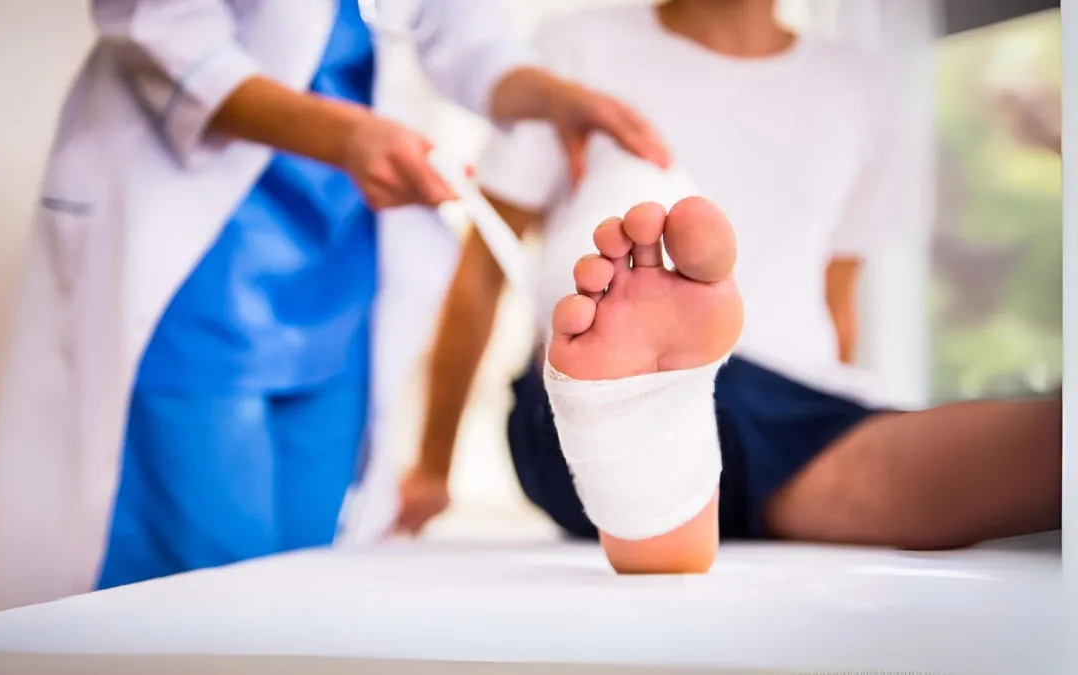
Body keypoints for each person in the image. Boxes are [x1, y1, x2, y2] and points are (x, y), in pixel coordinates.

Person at [0, 0, 672, 612]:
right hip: (203, 252)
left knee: (301, 570)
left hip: (342, 254)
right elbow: (158, 23)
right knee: (205, 591)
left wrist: (551, 95)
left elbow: (469, 35)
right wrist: (345, 137)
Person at [395, 0, 1061, 569]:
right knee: (844, 471)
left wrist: (830, 392)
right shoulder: (573, 52)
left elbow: (836, 299)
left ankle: (658, 473)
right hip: (578, 389)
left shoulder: (866, 86)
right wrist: (431, 462)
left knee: (878, 466)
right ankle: (645, 412)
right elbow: (481, 275)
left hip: (797, 392)